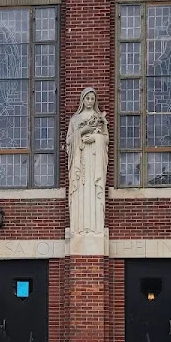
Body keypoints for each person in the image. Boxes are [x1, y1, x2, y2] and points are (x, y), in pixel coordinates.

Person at [65, 87, 109, 236]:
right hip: (80, 160)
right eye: (87, 98)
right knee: (81, 192)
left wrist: (96, 138)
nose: (90, 101)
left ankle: (95, 226)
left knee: (94, 190)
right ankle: (79, 226)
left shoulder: (100, 118)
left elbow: (106, 139)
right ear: (82, 100)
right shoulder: (75, 119)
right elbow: (69, 141)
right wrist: (83, 131)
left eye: (92, 99)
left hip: (94, 161)